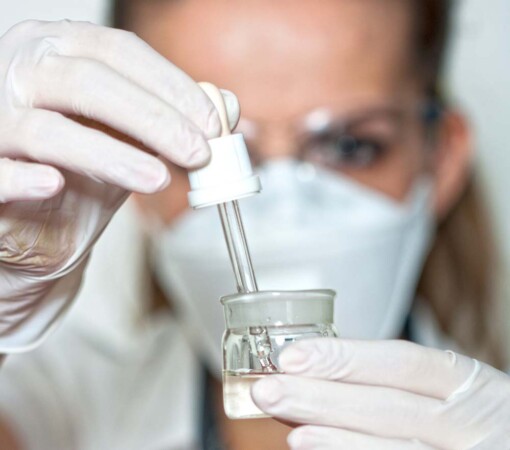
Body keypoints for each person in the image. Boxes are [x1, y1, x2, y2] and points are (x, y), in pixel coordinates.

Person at [0, 0, 508, 448]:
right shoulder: (53, 412)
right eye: (203, 156)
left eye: (349, 146)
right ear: (131, 174)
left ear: (441, 157)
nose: (283, 212)